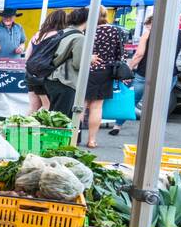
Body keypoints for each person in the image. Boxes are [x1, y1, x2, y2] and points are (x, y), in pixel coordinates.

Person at [83, 16, 128, 147]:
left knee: (81, 105)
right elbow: (120, 54)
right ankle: (91, 140)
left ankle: (74, 137)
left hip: (85, 70)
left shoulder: (86, 30)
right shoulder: (115, 31)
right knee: (97, 107)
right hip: (105, 71)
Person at [43, 8, 89, 125]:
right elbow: (78, 64)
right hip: (65, 81)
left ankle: (51, 142)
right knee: (61, 121)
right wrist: (90, 60)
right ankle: (56, 143)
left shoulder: (62, 32)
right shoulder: (79, 38)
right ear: (86, 20)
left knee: (53, 117)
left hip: (50, 78)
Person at [24, 8, 68, 112]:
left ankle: (21, 126)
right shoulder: (59, 35)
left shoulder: (38, 34)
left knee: (33, 107)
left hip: (30, 72)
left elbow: (27, 55)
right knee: (47, 106)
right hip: (43, 74)